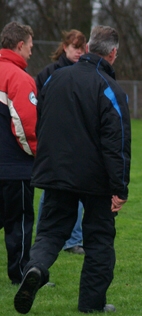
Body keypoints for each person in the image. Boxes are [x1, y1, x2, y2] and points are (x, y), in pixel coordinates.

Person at [14, 25, 131, 314]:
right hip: (96, 179)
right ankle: (91, 305)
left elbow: (40, 122)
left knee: (51, 232)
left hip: (55, 171)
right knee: (99, 239)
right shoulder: (111, 90)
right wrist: (120, 187)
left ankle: (37, 268)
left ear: (89, 48)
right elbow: (116, 143)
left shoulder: (54, 79)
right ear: (113, 53)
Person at [36, 29, 87, 255]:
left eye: (82, 48)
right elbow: (37, 105)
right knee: (52, 190)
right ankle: (44, 236)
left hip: (77, 141)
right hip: (54, 140)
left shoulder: (84, 73)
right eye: (75, 47)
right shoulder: (49, 73)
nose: (79, 52)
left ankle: (72, 240)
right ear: (65, 47)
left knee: (76, 189)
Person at [0, 22, 37, 285]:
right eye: (31, 47)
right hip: (15, 166)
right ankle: (21, 273)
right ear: (20, 45)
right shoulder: (19, 78)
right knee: (19, 222)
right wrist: (37, 154)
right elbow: (26, 125)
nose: (32, 53)